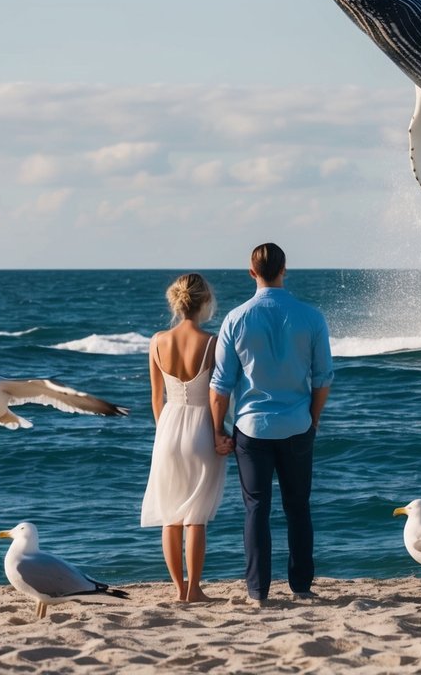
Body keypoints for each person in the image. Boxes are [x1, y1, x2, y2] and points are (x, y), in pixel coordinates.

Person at [210, 243, 333, 605]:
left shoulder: (235, 318)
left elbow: (221, 385)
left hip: (251, 428)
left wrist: (217, 428)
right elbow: (323, 377)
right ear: (285, 269)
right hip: (297, 424)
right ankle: (301, 586)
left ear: (252, 273)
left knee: (256, 508)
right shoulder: (312, 317)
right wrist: (313, 419)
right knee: (299, 507)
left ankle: (257, 591)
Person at [141, 273, 232, 602]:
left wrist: (163, 430)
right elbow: (216, 395)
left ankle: (178, 590)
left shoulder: (156, 341)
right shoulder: (212, 342)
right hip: (200, 428)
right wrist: (220, 432)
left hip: (168, 427)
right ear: (205, 302)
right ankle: (195, 589)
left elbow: (156, 397)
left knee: (171, 515)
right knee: (196, 516)